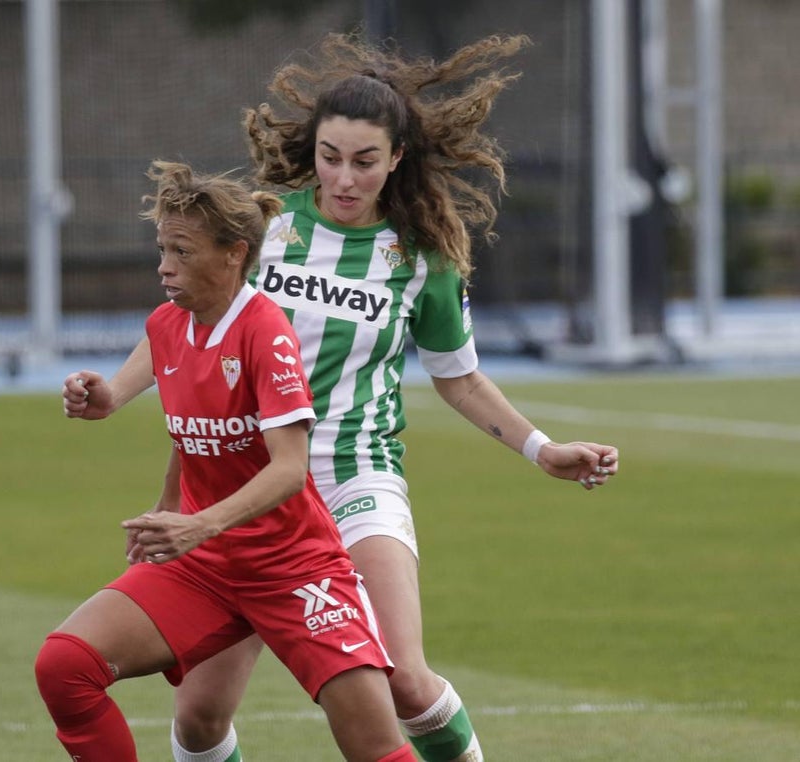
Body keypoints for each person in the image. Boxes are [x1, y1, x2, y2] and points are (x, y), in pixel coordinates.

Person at [62, 33, 620, 762]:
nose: (344, 178)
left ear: (396, 158)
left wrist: (541, 449)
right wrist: (113, 392)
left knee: (405, 682)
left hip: (356, 477)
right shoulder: (266, 225)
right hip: (248, 484)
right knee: (199, 716)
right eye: (330, 157)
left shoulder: (421, 259)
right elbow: (189, 318)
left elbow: (459, 379)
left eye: (364, 161)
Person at [37, 160, 420, 762]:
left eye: (182, 252)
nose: (164, 267)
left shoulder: (266, 332)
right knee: (65, 666)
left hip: (294, 568)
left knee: (375, 744)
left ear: (234, 254)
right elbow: (191, 431)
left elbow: (290, 468)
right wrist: (164, 500)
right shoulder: (168, 325)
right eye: (162, 250)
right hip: (205, 567)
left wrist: (198, 523)